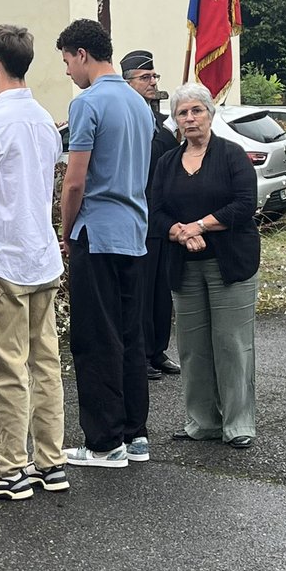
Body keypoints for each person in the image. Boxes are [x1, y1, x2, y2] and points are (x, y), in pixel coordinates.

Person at [0, 25, 68, 501]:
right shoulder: (45, 119)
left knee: (2, 367)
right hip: (41, 255)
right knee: (45, 363)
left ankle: (9, 469)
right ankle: (51, 460)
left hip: (2, 256)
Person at [56, 18, 155, 467]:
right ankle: (135, 434)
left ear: (81, 55)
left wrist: (65, 230)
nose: (67, 72)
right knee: (132, 336)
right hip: (135, 232)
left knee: (96, 339)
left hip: (95, 232)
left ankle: (103, 442)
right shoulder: (139, 104)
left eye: (66, 61)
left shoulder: (87, 103)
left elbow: (75, 182)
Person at [150, 82, 260, 448]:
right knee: (193, 347)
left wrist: (200, 225)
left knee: (231, 343)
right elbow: (155, 210)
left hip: (230, 264)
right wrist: (179, 232)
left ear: (210, 114)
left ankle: (238, 424)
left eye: (197, 110)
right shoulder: (167, 163)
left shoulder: (231, 155)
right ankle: (202, 422)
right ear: (176, 121)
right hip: (184, 265)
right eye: (183, 112)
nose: (190, 117)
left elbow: (245, 204)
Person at [120, 48, 182, 381]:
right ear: (128, 82)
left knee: (160, 290)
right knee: (139, 292)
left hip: (160, 218)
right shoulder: (124, 121)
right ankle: (139, 353)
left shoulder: (163, 129)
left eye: (154, 76)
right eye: (145, 77)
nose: (152, 83)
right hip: (133, 217)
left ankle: (157, 349)